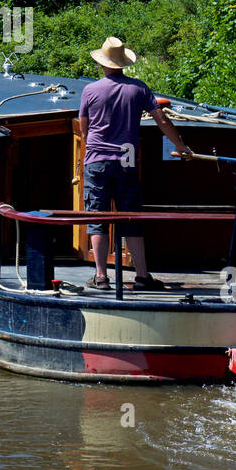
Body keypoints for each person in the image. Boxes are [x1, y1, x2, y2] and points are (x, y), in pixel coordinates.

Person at [78, 36, 193, 291]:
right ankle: (142, 276)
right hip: (127, 157)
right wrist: (180, 145)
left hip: (97, 158)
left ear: (102, 63)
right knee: (131, 216)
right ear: (123, 63)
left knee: (97, 216)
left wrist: (93, 150)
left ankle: (101, 277)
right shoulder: (139, 88)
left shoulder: (90, 90)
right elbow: (162, 120)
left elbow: (84, 129)